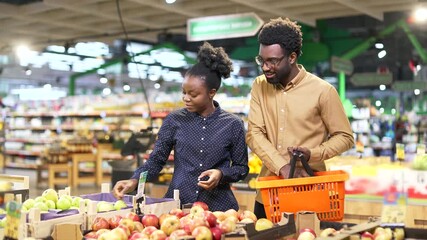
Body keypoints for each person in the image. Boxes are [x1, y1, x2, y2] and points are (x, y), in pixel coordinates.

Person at [113, 42, 249, 211]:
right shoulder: (173, 120)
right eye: (184, 92)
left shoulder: (232, 124)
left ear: (211, 92)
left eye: (193, 94)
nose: (186, 98)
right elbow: (156, 160)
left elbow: (241, 168)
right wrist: (134, 180)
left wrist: (221, 174)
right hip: (178, 204)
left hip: (218, 207)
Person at [245, 17, 355, 219]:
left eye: (273, 61)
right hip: (268, 195)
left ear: (292, 57)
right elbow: (254, 133)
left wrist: (312, 153)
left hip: (310, 193)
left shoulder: (323, 91)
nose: (265, 67)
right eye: (262, 60)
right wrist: (283, 166)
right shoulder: (259, 85)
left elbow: (345, 137)